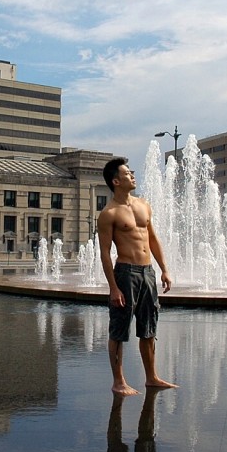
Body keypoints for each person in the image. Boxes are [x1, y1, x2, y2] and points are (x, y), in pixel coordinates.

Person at [98, 157, 177, 396]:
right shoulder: (108, 213)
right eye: (127, 173)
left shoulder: (144, 204)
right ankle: (118, 381)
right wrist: (113, 287)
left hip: (148, 272)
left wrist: (164, 269)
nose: (132, 175)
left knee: (149, 326)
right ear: (115, 181)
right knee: (119, 329)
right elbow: (104, 252)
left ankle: (152, 377)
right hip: (125, 272)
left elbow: (152, 238)